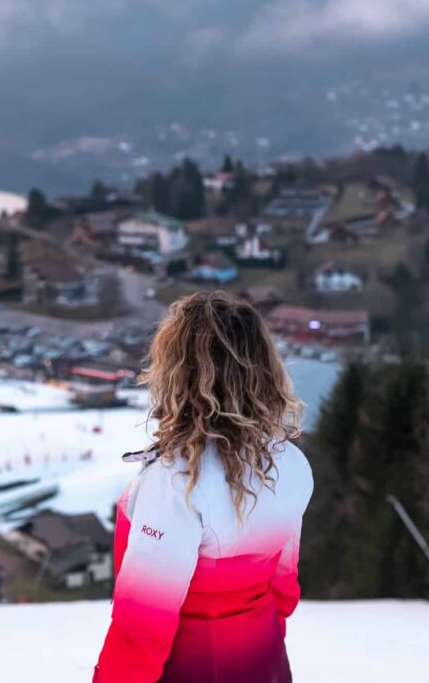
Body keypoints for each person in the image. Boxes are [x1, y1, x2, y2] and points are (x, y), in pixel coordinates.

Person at [93, 291, 313, 683]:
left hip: (190, 667)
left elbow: (142, 626)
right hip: (264, 660)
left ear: (178, 372)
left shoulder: (178, 480)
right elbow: (283, 586)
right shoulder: (290, 463)